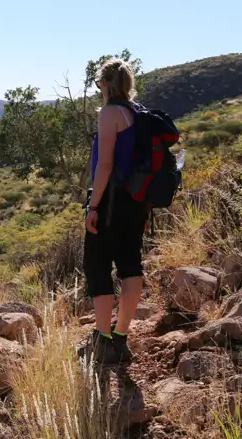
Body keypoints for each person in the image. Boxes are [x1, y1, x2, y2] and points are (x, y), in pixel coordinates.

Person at [81, 58, 148, 365]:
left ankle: (103, 339)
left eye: (99, 84)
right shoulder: (137, 112)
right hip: (136, 201)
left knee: (97, 265)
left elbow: (105, 163)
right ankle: (121, 336)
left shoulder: (110, 113)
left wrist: (93, 204)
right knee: (130, 265)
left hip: (110, 202)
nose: (99, 90)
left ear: (106, 84)